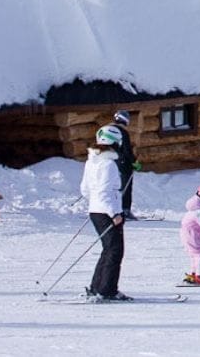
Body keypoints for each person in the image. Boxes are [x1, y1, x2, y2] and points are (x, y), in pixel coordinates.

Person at [79, 124, 128, 301]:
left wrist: (96, 205)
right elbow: (104, 192)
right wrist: (114, 213)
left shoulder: (91, 161)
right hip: (108, 212)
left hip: (97, 210)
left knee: (109, 249)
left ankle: (97, 287)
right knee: (115, 250)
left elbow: (85, 189)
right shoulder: (108, 164)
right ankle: (107, 290)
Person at [100, 110, 139, 220]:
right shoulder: (122, 132)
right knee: (125, 184)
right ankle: (125, 209)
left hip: (105, 161)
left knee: (107, 184)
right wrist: (134, 162)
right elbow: (127, 150)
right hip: (121, 162)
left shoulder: (104, 129)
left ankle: (104, 208)